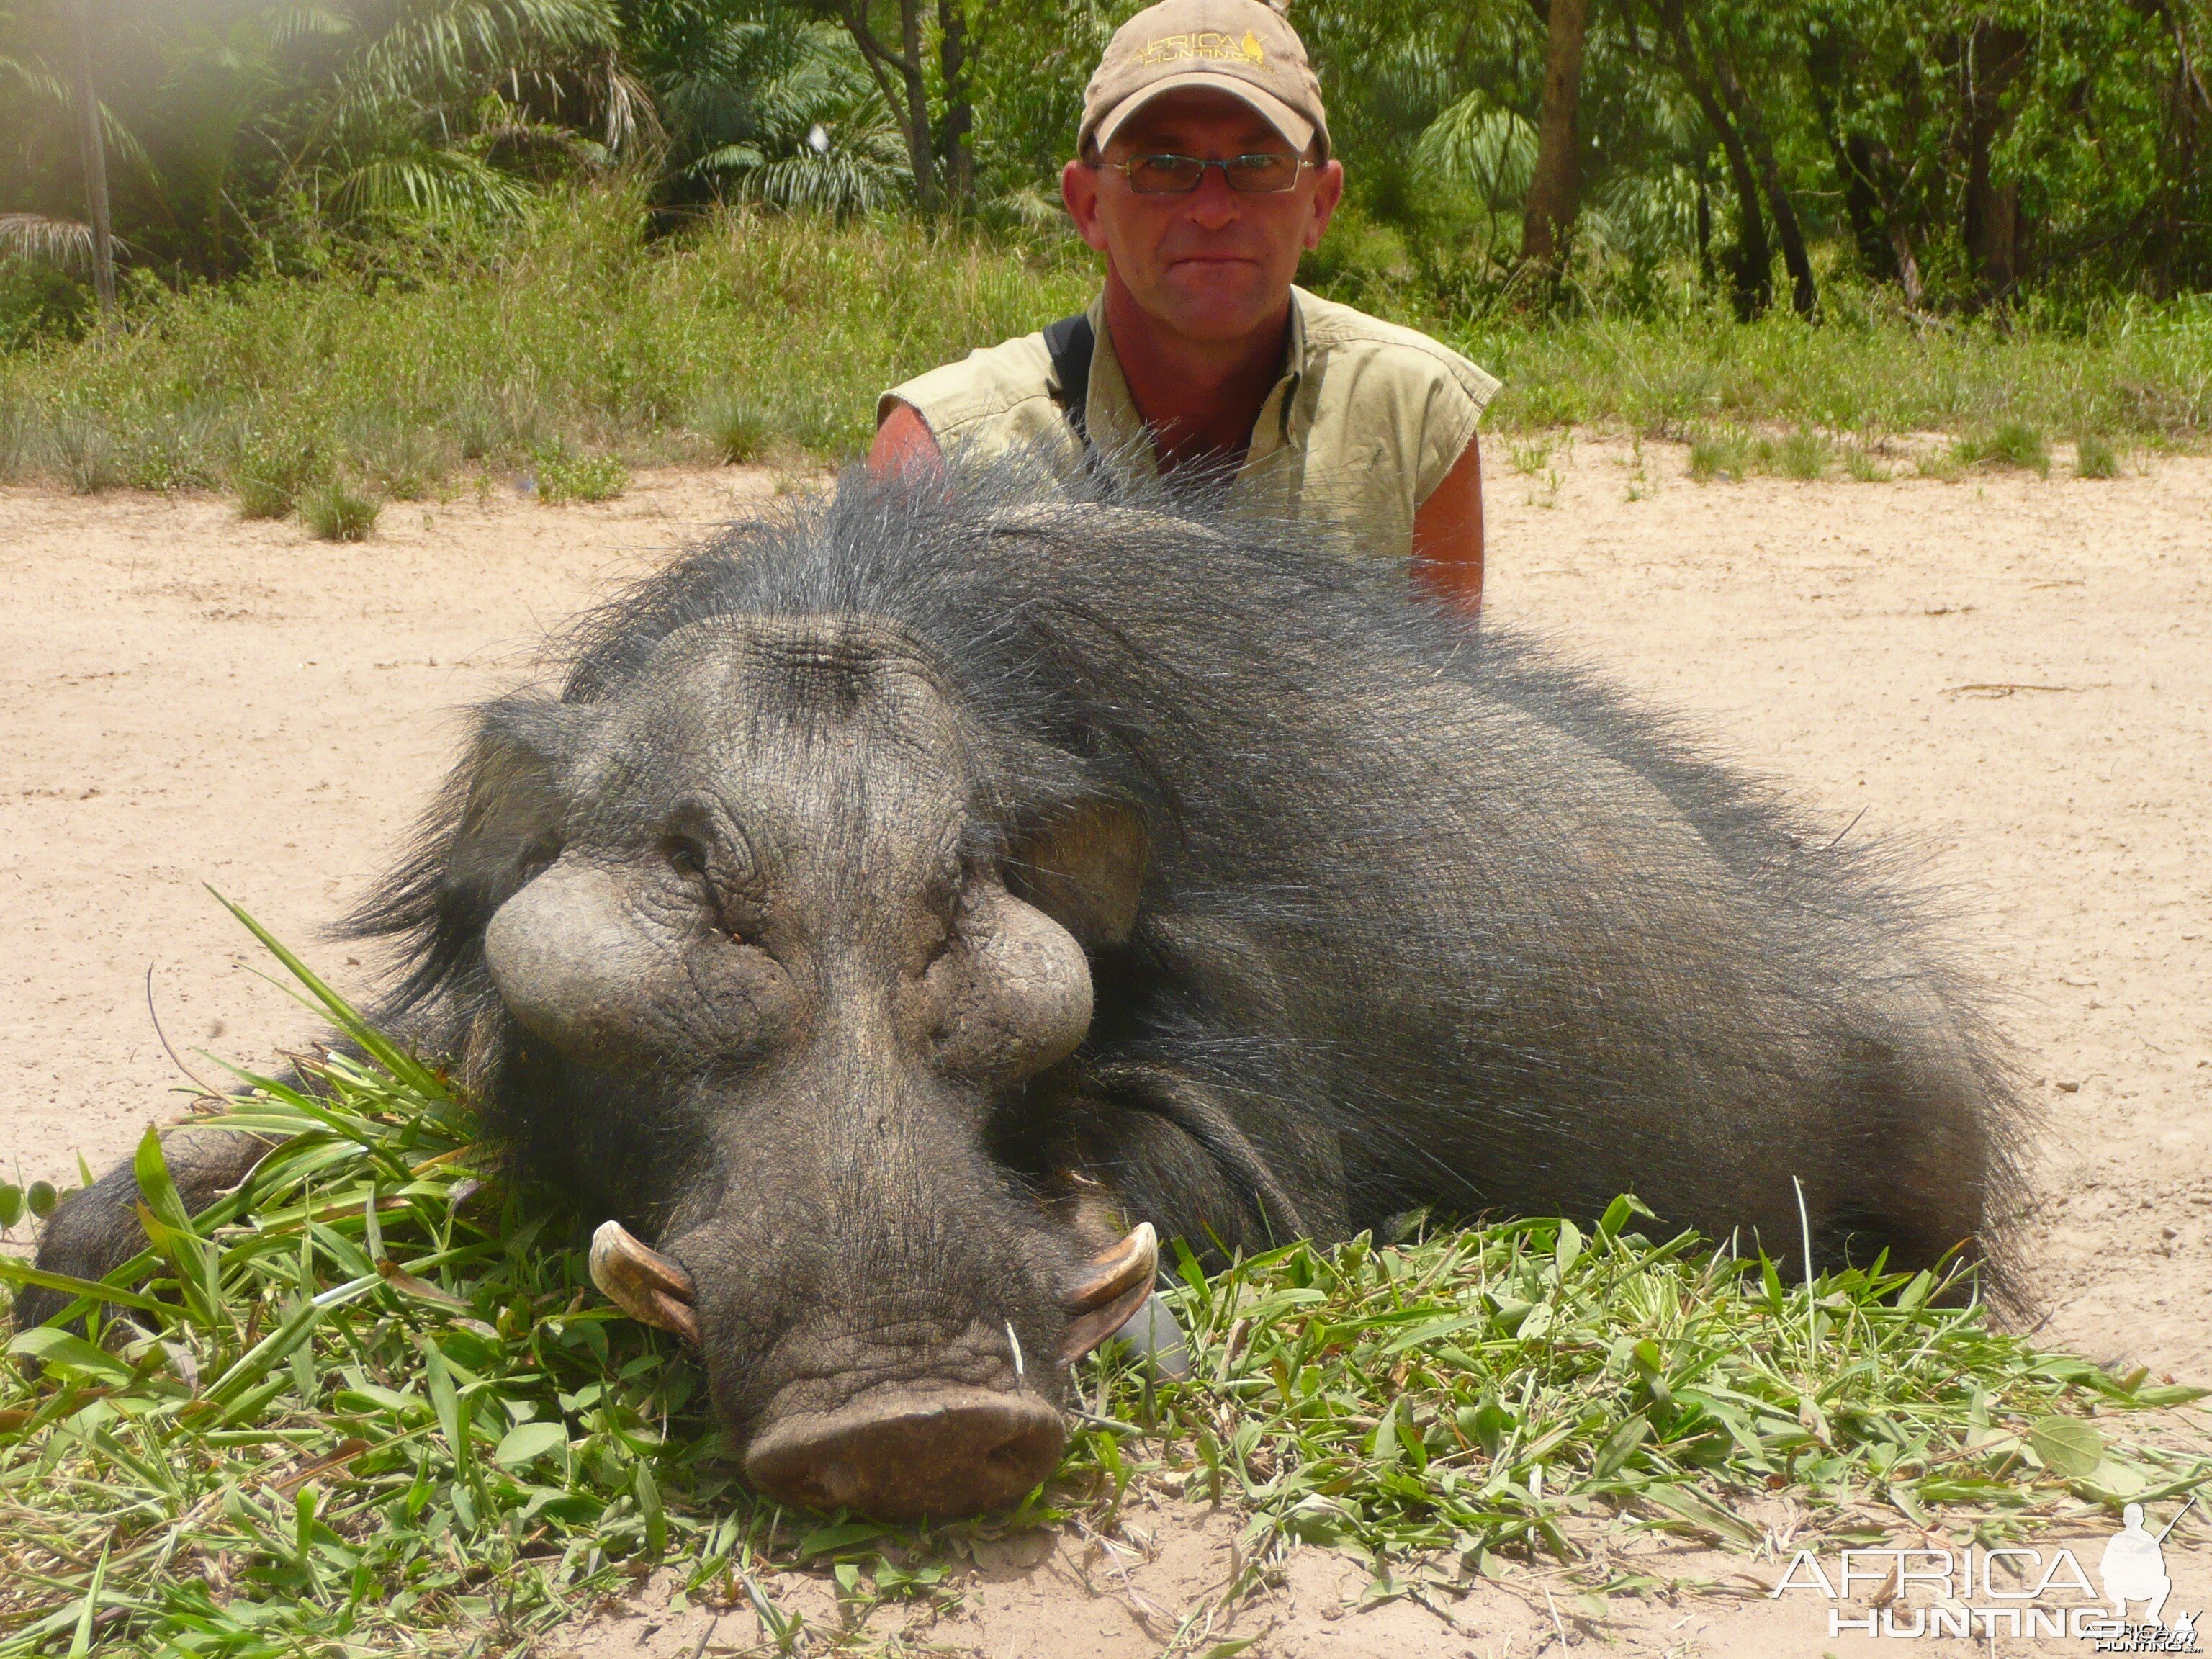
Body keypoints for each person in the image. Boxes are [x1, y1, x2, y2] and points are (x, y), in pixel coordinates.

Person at [868, 0, 1499, 613]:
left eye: (1259, 164)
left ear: (1320, 203)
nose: (1215, 208)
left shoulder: (1414, 419)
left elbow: (1439, 714)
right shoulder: (945, 456)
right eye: (1163, 166)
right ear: (1088, 206)